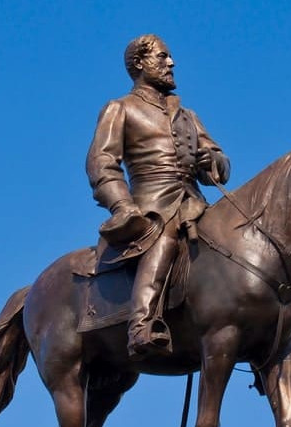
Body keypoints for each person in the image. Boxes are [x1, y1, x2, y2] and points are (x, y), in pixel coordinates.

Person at [86, 34, 230, 358]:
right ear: (140, 63)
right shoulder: (120, 108)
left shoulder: (187, 115)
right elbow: (101, 163)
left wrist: (213, 162)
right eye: (163, 57)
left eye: (170, 58)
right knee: (164, 238)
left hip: (195, 203)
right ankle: (141, 325)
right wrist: (123, 205)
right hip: (153, 206)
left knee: (238, 241)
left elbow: (218, 162)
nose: (171, 63)